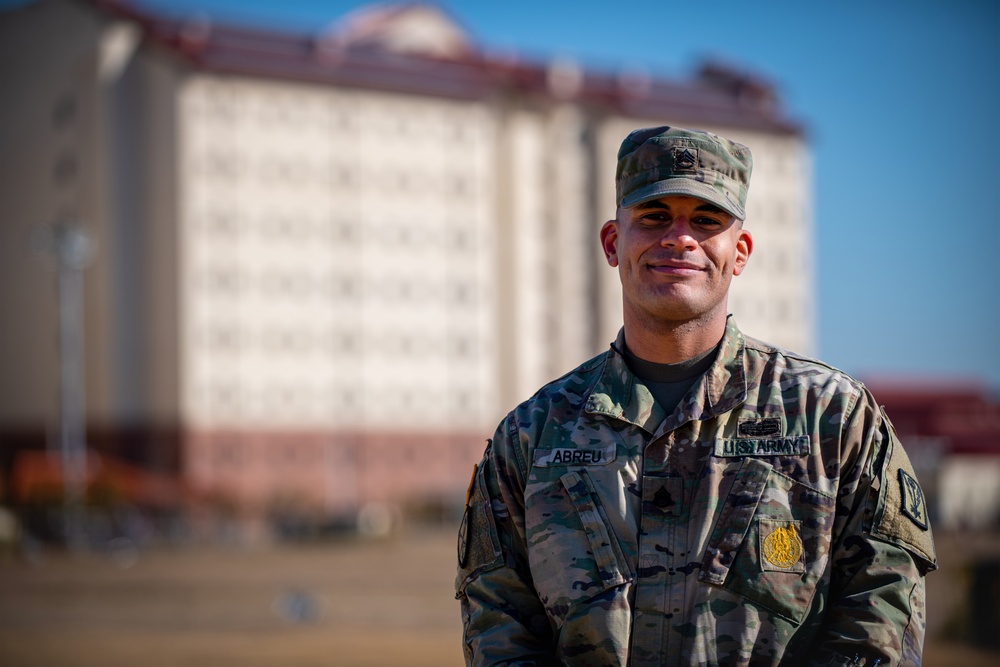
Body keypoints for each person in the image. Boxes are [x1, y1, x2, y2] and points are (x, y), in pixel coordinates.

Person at [454, 126, 936, 667]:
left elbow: (879, 619)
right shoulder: (533, 435)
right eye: (655, 216)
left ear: (741, 252)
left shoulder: (834, 419)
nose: (680, 237)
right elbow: (499, 627)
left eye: (706, 221)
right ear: (614, 243)